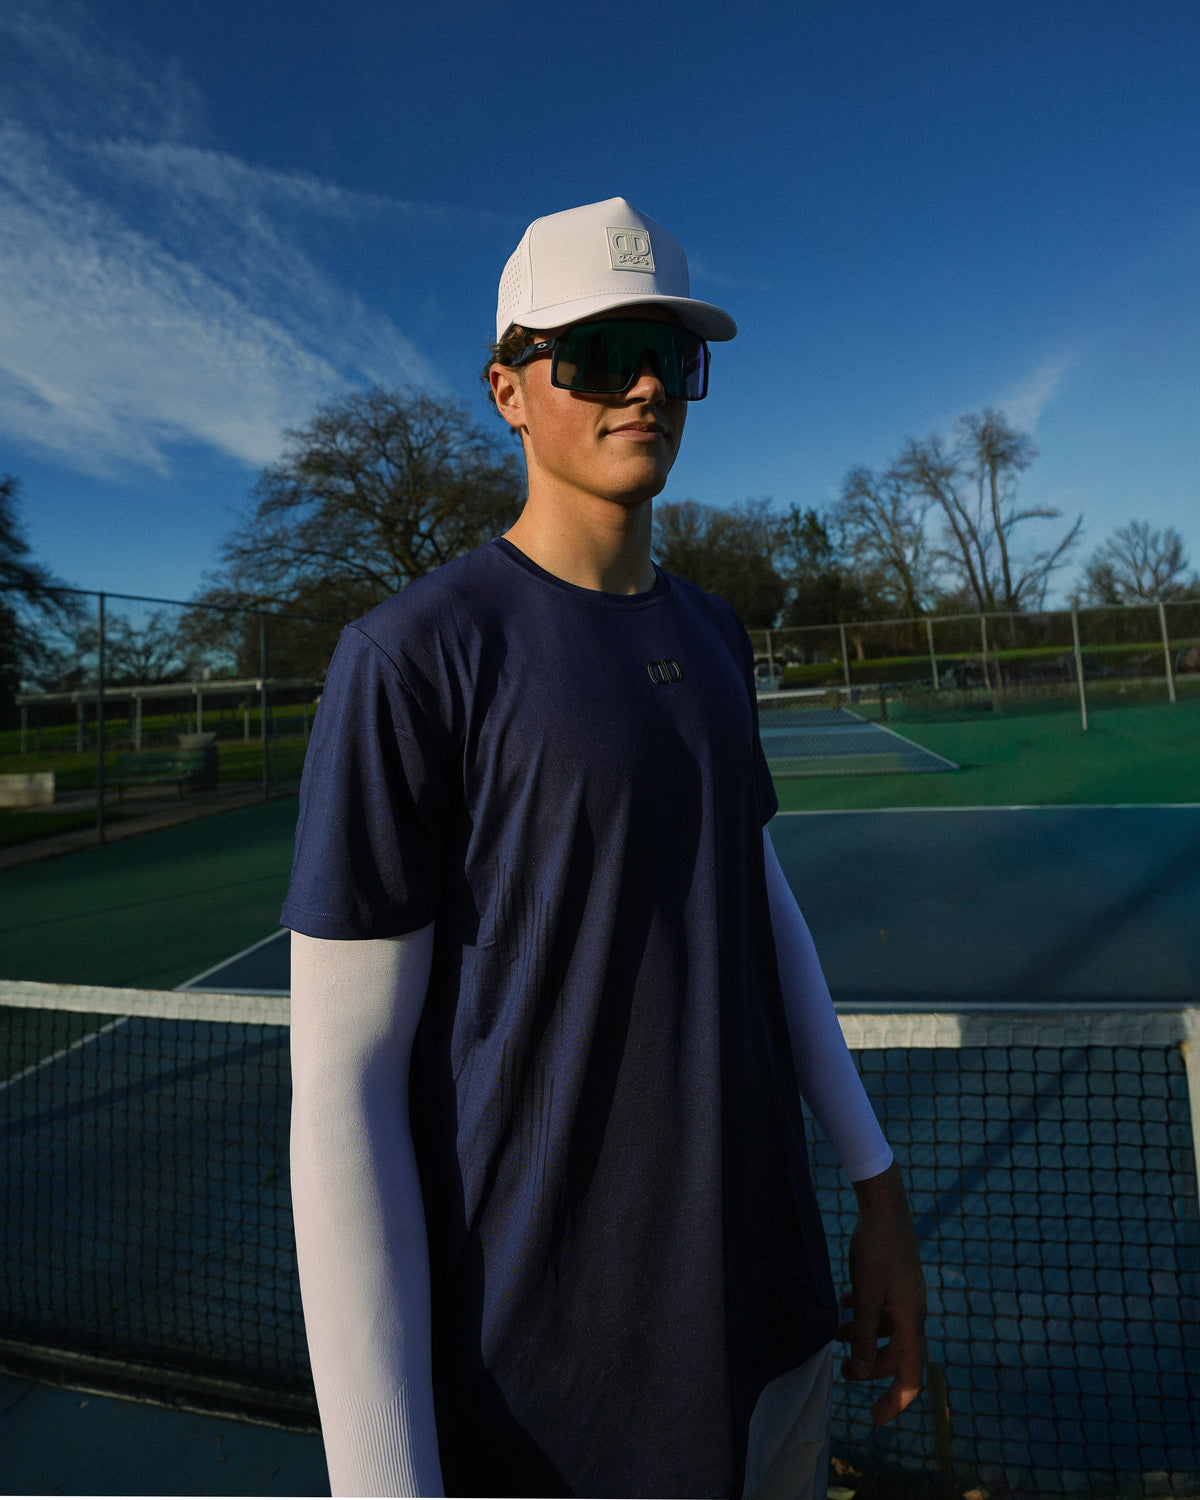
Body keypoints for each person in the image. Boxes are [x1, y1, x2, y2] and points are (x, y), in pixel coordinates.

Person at [284, 196, 926, 1500]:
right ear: (509, 390)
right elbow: (341, 1096)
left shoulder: (716, 635)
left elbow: (753, 893)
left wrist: (878, 1188)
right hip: (555, 1411)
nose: (643, 384)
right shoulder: (410, 661)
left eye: (670, 353)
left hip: (774, 1336)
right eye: (592, 353)